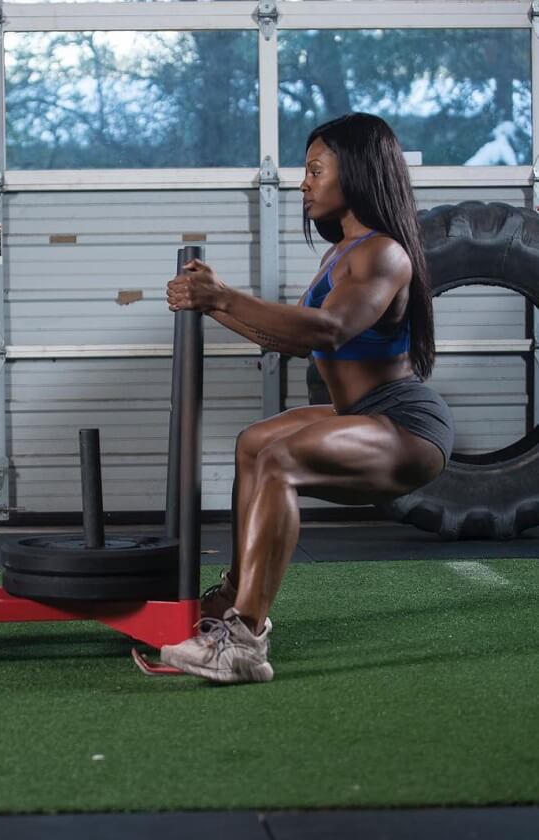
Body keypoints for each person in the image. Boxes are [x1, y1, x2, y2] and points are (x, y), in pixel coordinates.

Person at [160, 112, 454, 684]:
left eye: (315, 170)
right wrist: (213, 303)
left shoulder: (384, 254)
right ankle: (228, 602)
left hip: (407, 425)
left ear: (360, 172)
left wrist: (222, 294)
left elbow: (327, 330)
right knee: (255, 442)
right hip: (361, 415)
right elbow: (286, 339)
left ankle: (244, 641)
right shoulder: (340, 254)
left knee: (278, 458)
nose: (303, 183)